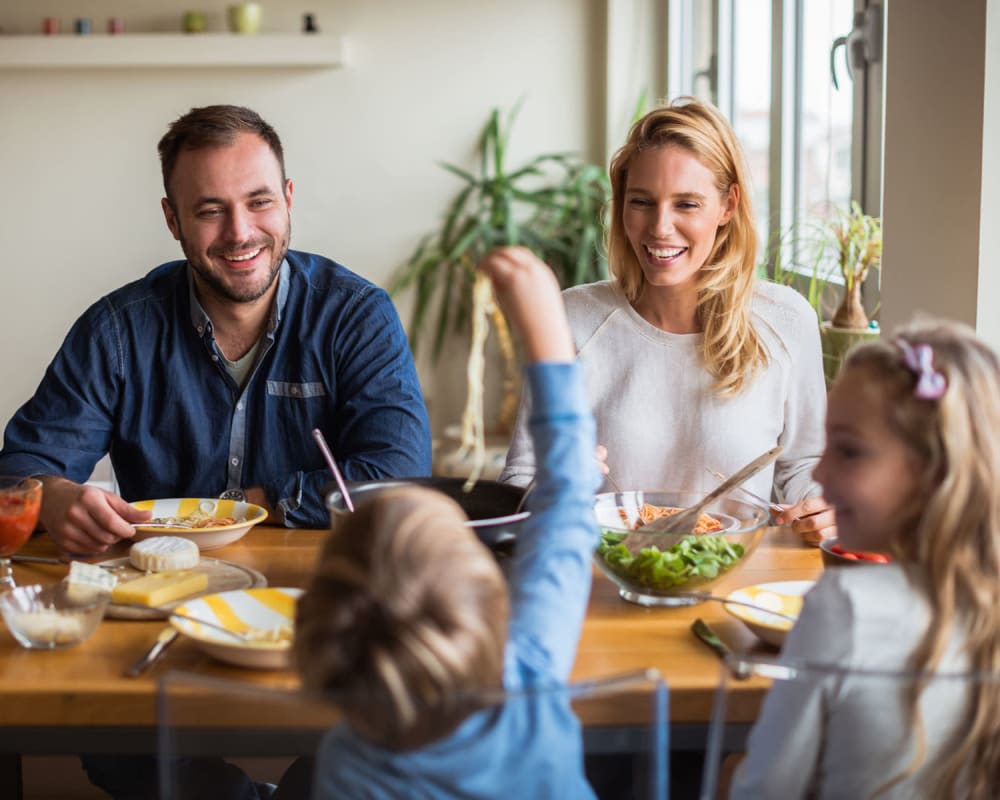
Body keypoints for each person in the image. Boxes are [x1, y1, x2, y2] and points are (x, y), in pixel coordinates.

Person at [0, 104, 431, 553]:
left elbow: (401, 474)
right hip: (156, 595)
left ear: (287, 199)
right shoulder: (117, 332)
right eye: (210, 211)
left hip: (318, 592)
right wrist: (53, 497)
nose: (240, 232)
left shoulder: (356, 317)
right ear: (173, 220)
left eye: (259, 202)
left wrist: (250, 503)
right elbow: (19, 471)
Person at [292, 245, 602, 798]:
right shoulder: (529, 683)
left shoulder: (344, 767)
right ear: (493, 604)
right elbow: (571, 497)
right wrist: (547, 331)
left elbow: (567, 499)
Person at [499, 98, 833, 543]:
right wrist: (555, 484)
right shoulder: (572, 318)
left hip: (736, 578)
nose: (659, 227)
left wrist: (824, 506)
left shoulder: (787, 320)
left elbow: (801, 464)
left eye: (687, 204)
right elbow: (520, 480)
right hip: (604, 578)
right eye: (642, 201)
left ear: (728, 206)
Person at [731, 319, 1000, 798]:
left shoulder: (844, 606)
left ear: (933, 472)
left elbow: (767, 790)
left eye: (849, 451)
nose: (820, 471)